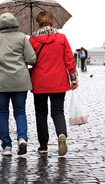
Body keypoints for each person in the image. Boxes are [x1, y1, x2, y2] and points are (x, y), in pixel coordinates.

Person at [29, 11, 79, 156]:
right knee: (58, 112)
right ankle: (61, 134)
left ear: (38, 24)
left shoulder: (32, 41)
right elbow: (69, 60)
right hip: (58, 81)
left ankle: (43, 146)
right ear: (52, 23)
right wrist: (74, 80)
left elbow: (29, 60)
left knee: (41, 113)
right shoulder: (61, 38)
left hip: (39, 82)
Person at [0, 13, 36, 156]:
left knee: (2, 114)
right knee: (20, 112)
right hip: (20, 81)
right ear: (15, 23)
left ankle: (6, 147)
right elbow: (32, 58)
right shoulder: (22, 37)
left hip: (1, 82)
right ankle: (22, 138)